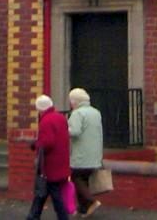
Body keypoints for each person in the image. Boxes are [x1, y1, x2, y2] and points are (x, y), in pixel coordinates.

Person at [26, 94, 70, 220]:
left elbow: (47, 142)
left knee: (50, 193)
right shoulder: (60, 117)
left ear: (40, 108)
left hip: (51, 164)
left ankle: (62, 217)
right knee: (43, 192)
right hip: (62, 160)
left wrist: (36, 145)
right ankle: (33, 216)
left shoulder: (46, 121)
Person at [67, 88, 103, 216]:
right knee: (85, 180)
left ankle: (91, 201)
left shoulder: (77, 114)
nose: (70, 103)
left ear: (75, 101)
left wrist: (65, 128)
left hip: (81, 154)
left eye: (71, 100)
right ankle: (83, 208)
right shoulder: (96, 112)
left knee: (75, 177)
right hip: (95, 154)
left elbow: (75, 131)